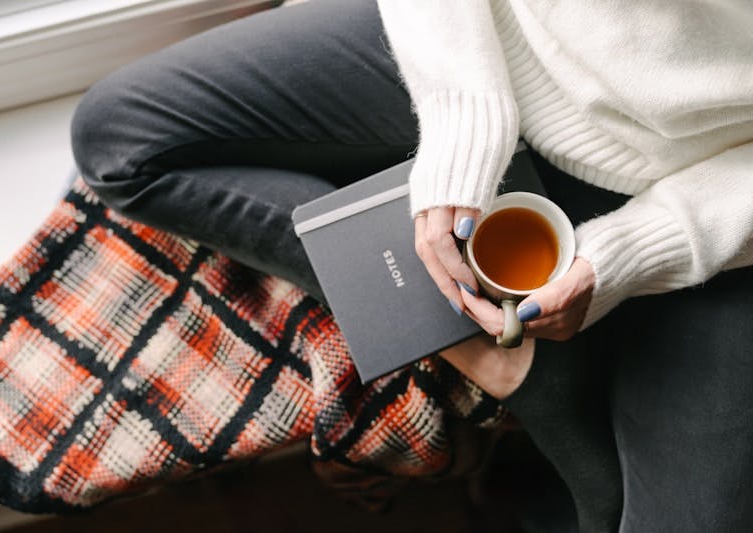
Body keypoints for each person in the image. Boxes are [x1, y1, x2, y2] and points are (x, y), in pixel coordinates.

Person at [70, 0, 753, 531]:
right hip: (509, 48)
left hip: (724, 199)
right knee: (119, 137)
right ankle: (508, 361)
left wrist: (641, 249)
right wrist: (463, 124)